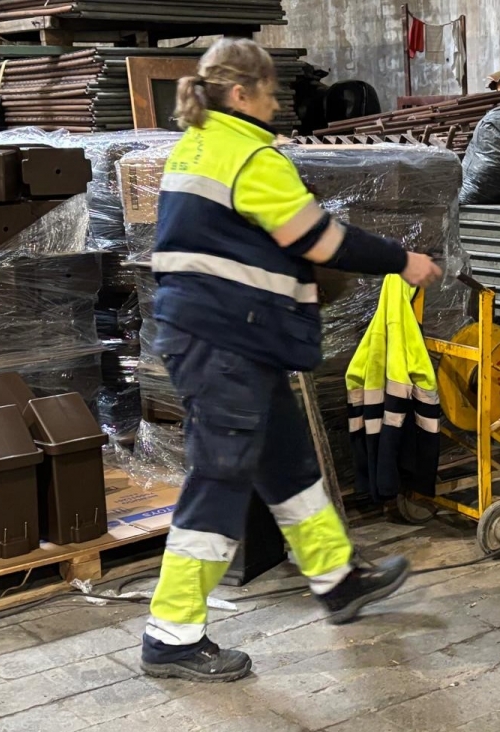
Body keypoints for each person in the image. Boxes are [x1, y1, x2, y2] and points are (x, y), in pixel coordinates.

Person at [140, 38, 442, 683]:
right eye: (273, 92)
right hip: (224, 344)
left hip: (225, 338)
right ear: (243, 92)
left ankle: (337, 581)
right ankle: (171, 634)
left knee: (287, 463)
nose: (277, 105)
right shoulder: (250, 155)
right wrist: (403, 260)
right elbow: (318, 238)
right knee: (219, 479)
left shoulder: (196, 144)